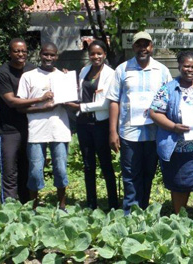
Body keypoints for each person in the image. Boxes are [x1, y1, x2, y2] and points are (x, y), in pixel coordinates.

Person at [107, 31, 172, 214]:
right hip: (129, 133)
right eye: (138, 45)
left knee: (148, 174)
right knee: (130, 176)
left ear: (152, 47)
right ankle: (130, 213)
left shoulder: (162, 71)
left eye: (146, 44)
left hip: (154, 133)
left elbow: (169, 99)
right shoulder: (122, 70)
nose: (142, 48)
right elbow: (114, 101)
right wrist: (112, 132)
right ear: (133, 47)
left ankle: (143, 210)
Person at [149, 51, 193, 214]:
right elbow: (154, 112)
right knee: (179, 185)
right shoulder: (169, 89)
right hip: (178, 148)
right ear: (179, 66)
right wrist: (173, 127)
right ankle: (180, 218)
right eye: (186, 66)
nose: (190, 70)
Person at [17, 42, 71, 211]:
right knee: (34, 170)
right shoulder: (28, 76)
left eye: (52, 55)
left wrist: (69, 84)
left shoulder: (63, 77)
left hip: (60, 129)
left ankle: (62, 205)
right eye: (45, 54)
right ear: (40, 55)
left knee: (61, 169)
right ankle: (34, 207)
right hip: (37, 130)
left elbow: (71, 102)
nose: (49, 58)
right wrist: (42, 106)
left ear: (57, 56)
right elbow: (21, 107)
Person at [66, 40, 118, 210]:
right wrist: (65, 80)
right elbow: (79, 92)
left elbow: (106, 103)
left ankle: (113, 204)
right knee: (88, 165)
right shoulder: (84, 70)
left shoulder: (111, 74)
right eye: (92, 54)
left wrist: (81, 107)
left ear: (104, 54)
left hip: (100, 124)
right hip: (83, 123)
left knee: (105, 164)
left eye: (99, 53)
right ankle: (91, 204)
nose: (95, 57)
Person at [0, 38, 48, 204]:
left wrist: (64, 76)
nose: (21, 54)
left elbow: (49, 79)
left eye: (23, 51)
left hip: (30, 127)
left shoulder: (32, 70)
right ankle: (8, 208)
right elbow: (11, 101)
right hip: (8, 129)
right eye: (17, 51)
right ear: (10, 53)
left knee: (27, 168)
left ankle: (27, 206)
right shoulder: (2, 72)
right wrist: (40, 99)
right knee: (10, 171)